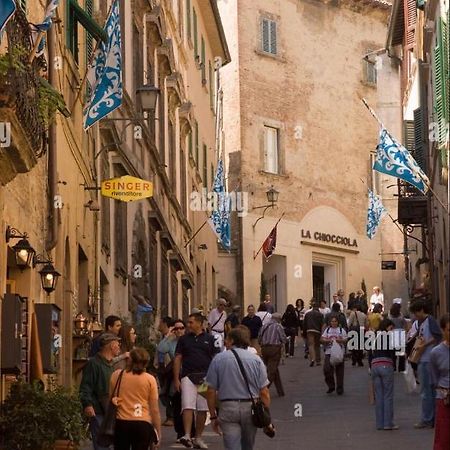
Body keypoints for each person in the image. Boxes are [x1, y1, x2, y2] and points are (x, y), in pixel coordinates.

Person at [205, 326, 271, 450]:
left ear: (232, 340)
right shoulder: (256, 360)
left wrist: (213, 415)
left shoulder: (218, 359)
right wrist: (266, 414)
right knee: (248, 445)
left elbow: (211, 390)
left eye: (227, 339)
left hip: (228, 407)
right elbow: (264, 391)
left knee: (232, 446)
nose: (225, 342)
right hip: (250, 407)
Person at [173, 313, 219, 449]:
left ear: (199, 323)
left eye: (191, 322)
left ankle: (198, 437)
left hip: (205, 378)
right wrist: (176, 378)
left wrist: (215, 379)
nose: (188, 325)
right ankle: (187, 435)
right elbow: (177, 358)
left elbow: (216, 359)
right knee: (187, 405)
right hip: (188, 376)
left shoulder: (210, 339)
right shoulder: (183, 340)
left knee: (202, 408)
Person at [110, 347, 161, 450]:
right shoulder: (150, 379)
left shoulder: (117, 375)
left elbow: (110, 400)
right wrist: (158, 431)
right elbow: (154, 409)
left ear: (130, 360)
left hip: (122, 422)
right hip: (142, 422)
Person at [80, 333, 121, 450]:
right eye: (117, 344)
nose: (119, 346)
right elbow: (85, 387)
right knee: (101, 444)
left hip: (109, 410)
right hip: (98, 410)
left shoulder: (110, 364)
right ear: (111, 346)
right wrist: (87, 404)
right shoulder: (94, 363)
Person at [409, 299, 442, 429]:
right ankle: (432, 418)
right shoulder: (422, 322)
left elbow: (437, 336)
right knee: (429, 390)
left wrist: (424, 345)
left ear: (422, 310)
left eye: (416, 313)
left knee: (426, 391)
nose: (415, 316)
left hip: (427, 359)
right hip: (425, 359)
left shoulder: (430, 321)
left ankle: (427, 419)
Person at [369, 318, 398, 430]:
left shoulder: (374, 336)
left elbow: (370, 352)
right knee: (388, 395)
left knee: (379, 396)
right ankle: (388, 423)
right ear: (387, 327)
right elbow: (393, 353)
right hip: (386, 364)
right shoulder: (388, 336)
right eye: (391, 328)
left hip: (374, 366)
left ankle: (380, 424)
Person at [430, 314, 450, 450]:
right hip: (445, 398)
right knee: (443, 437)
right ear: (443, 330)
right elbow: (434, 377)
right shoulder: (436, 353)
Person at [258, 312, 286, 397]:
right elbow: (283, 338)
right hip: (274, 348)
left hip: (264, 348)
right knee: (271, 371)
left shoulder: (264, 326)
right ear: (278, 319)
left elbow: (259, 336)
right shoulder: (278, 326)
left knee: (273, 369)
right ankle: (263, 390)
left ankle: (280, 391)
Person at [155, 316, 176, 427]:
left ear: (165, 324)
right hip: (163, 369)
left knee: (168, 392)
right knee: (165, 392)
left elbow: (163, 349)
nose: (159, 325)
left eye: (161, 322)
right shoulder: (163, 337)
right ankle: (170, 416)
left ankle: (171, 416)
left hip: (169, 369)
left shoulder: (171, 337)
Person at [321, 316, 347, 395]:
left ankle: (340, 388)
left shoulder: (341, 330)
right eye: (332, 321)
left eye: (335, 321)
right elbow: (322, 339)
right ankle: (331, 385)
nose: (334, 323)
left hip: (339, 352)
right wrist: (327, 340)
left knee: (339, 371)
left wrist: (340, 340)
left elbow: (346, 339)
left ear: (338, 322)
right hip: (329, 352)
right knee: (327, 369)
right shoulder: (327, 330)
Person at [303, 301, 324, 367]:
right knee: (317, 346)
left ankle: (312, 359)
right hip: (317, 331)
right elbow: (322, 324)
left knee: (311, 345)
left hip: (309, 330)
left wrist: (304, 333)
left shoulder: (308, 314)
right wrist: (322, 333)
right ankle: (318, 361)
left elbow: (304, 324)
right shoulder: (320, 315)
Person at [388, 303, 407, 372]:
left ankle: (393, 367)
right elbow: (405, 324)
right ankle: (401, 368)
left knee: (393, 352)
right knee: (401, 352)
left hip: (393, 333)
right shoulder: (401, 316)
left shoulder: (390, 317)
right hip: (400, 333)